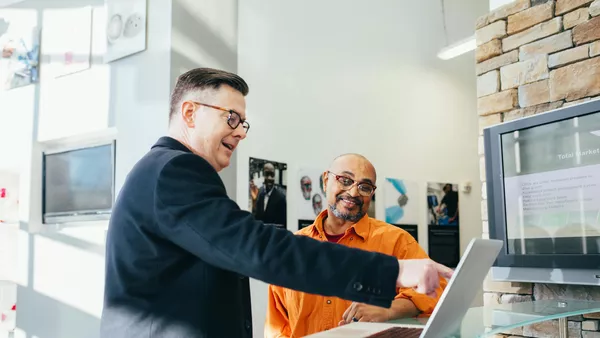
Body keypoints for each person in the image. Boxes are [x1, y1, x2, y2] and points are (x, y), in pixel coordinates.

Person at [99, 68, 453, 338]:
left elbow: (241, 246)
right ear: (190, 113)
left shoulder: (163, 172)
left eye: (243, 123)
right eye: (231, 118)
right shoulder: (175, 169)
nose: (240, 131)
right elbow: (256, 250)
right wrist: (394, 271)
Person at [265, 154, 448, 338]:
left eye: (365, 187)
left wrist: (388, 309)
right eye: (345, 180)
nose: (353, 193)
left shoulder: (397, 241)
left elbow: (435, 291)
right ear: (326, 180)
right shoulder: (291, 249)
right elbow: (278, 327)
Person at [250, 162, 287, 228]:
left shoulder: (281, 198)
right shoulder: (259, 193)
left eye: (272, 175)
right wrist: (254, 201)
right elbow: (256, 218)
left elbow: (282, 225)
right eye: (267, 174)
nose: (269, 178)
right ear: (263, 175)